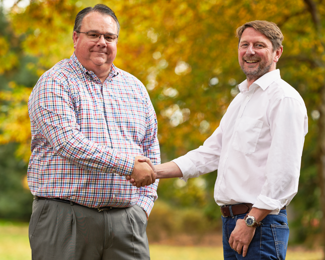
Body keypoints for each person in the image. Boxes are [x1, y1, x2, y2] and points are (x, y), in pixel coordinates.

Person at [130, 20, 308, 259]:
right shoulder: (241, 101)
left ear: (277, 52)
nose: (249, 51)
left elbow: (284, 174)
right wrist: (154, 171)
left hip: (260, 226)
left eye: (259, 45)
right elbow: (209, 153)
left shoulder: (284, 99)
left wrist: (251, 220)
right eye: (244, 44)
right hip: (233, 223)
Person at [27, 4, 160, 260]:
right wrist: (128, 165)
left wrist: (142, 208)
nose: (102, 42)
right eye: (93, 34)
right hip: (65, 219)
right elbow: (68, 143)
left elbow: (150, 147)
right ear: (76, 37)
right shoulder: (55, 82)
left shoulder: (135, 88)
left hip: (126, 222)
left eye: (109, 37)